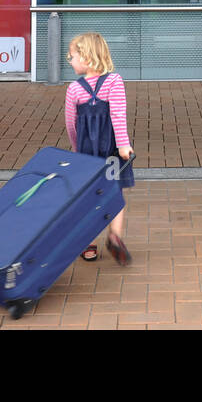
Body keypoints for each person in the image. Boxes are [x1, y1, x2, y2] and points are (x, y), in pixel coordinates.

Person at [63, 32, 134, 266]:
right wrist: (123, 145)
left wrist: (76, 148)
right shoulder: (114, 81)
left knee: (87, 197)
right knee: (114, 191)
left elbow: (71, 123)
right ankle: (114, 236)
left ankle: (88, 244)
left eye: (72, 56)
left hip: (86, 152)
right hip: (112, 150)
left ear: (86, 57)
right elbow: (117, 115)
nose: (69, 60)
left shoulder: (74, 89)